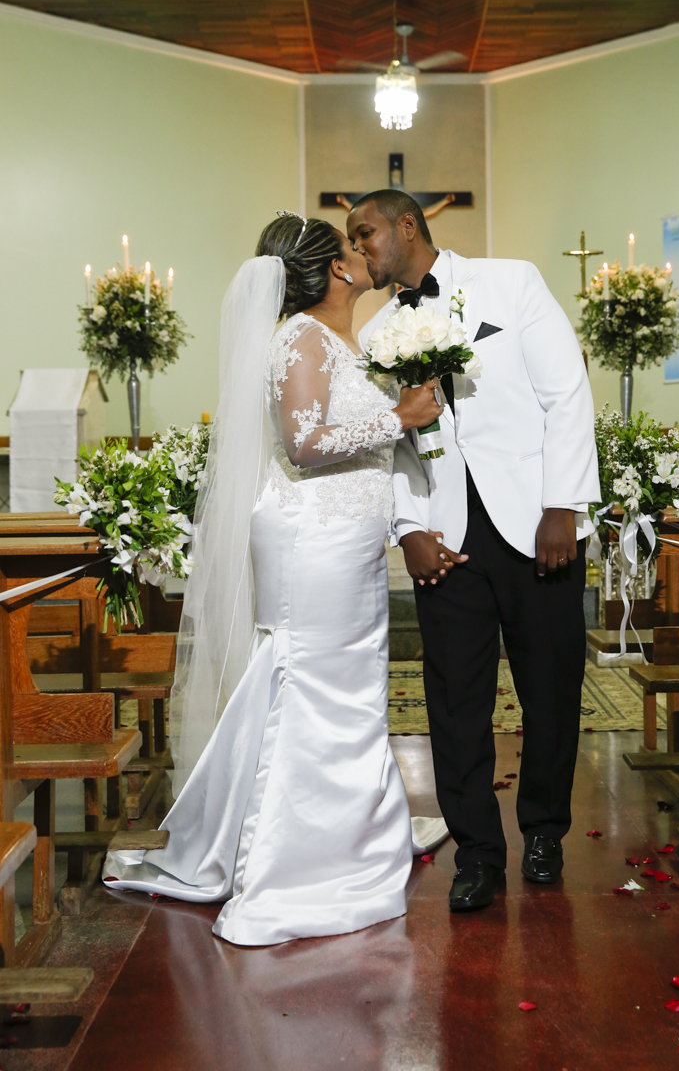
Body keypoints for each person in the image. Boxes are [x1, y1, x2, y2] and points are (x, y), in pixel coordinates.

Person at [102, 212, 448, 946]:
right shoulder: (300, 339)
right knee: (315, 683)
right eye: (350, 247)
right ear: (331, 272)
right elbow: (304, 440)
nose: (362, 254)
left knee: (343, 683)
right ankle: (297, 855)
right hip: (311, 539)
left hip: (343, 540)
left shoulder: (333, 339)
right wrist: (399, 415)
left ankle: (348, 828)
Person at [350, 190, 600, 913]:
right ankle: (479, 856)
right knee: (454, 701)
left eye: (364, 233)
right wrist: (409, 531)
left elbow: (567, 394)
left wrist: (564, 505)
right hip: (446, 541)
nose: (360, 248)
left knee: (550, 690)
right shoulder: (376, 334)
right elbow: (385, 446)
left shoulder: (511, 281)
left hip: (536, 528)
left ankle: (545, 832)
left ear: (406, 224)